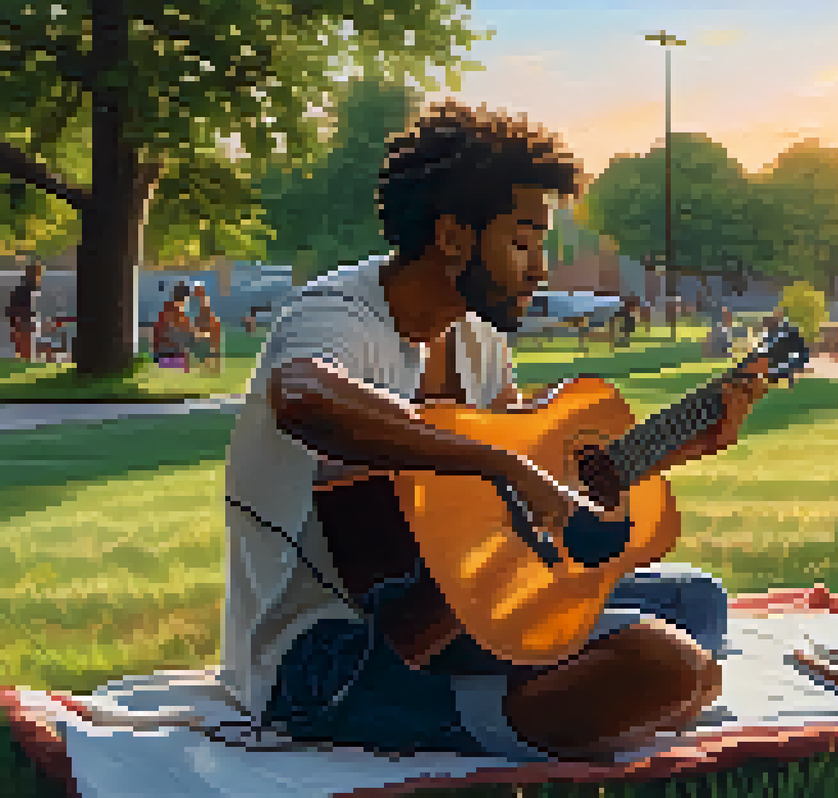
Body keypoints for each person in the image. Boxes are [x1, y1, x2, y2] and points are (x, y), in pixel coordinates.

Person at [221, 100, 766, 763]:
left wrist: (669, 450)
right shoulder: (336, 314)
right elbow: (303, 395)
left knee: (694, 598)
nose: (539, 269)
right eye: (523, 241)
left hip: (452, 609)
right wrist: (499, 467)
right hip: (327, 652)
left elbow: (514, 510)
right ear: (452, 236)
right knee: (668, 665)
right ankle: (514, 709)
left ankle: (532, 697)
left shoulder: (477, 338)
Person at [152, 283, 197, 371]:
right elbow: (184, 334)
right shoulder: (177, 314)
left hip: (163, 356)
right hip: (171, 357)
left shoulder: (166, 311)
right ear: (185, 298)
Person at [7, 260, 42, 362]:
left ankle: (25, 358)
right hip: (23, 319)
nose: (37, 276)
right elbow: (17, 305)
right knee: (24, 343)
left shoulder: (29, 288)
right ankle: (25, 358)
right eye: (36, 273)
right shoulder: (24, 288)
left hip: (25, 319)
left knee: (25, 344)